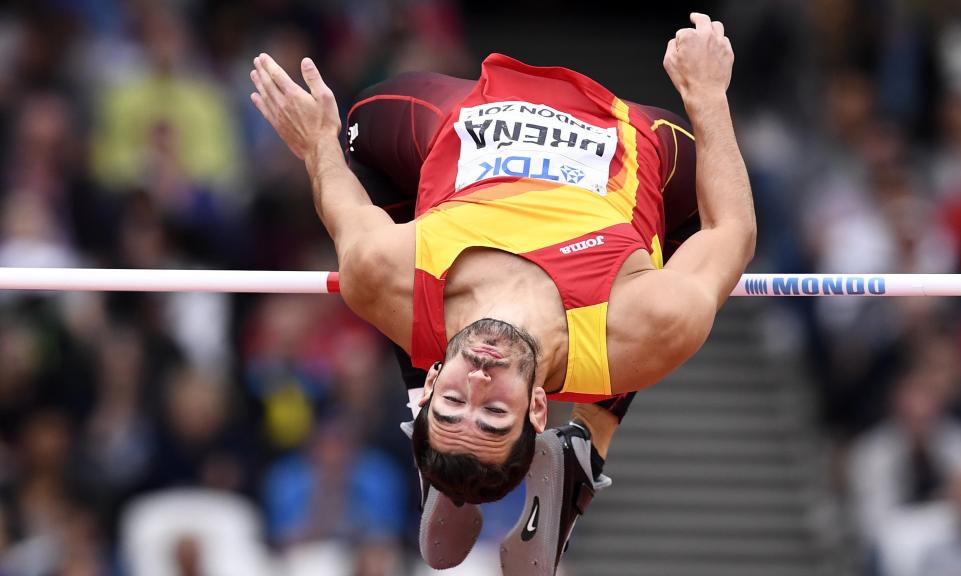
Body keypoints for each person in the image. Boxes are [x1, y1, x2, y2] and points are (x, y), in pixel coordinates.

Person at [249, 12, 754, 575]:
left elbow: (335, 180)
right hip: (630, 135)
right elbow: (730, 232)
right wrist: (707, 95)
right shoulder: (639, 323)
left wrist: (317, 141)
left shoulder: (385, 276)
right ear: (538, 407)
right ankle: (585, 447)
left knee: (358, 126)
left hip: (467, 116)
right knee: (705, 222)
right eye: (493, 412)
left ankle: (440, 422)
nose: (480, 379)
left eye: (452, 402)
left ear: (436, 379)